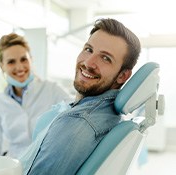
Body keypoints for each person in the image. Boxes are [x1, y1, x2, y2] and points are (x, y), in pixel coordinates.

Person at [19, 18, 141, 175]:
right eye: (89, 50)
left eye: (105, 58)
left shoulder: (79, 122)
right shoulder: (98, 113)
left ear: (123, 76)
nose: (88, 63)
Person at [0, 33, 71, 159]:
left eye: (24, 59)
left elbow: (75, 115)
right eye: (11, 62)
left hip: (46, 162)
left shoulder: (52, 89)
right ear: (2, 66)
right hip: (14, 166)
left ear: (31, 59)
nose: (19, 67)